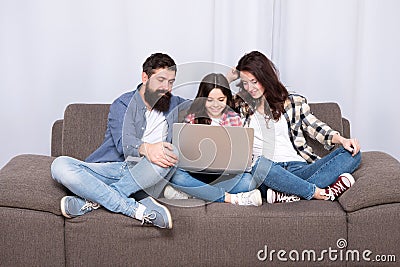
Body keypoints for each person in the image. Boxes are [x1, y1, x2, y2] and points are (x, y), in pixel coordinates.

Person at [51, 53, 190, 229]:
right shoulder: (123, 104)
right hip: (113, 168)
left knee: (171, 153)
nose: (167, 88)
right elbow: (123, 143)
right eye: (161, 80)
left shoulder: (175, 104)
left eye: (171, 82)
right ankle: (133, 208)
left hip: (146, 175)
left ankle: (96, 201)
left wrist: (229, 80)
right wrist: (148, 149)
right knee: (60, 165)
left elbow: (209, 103)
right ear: (145, 77)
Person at [228, 51, 361, 203]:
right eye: (245, 83)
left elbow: (316, 127)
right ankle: (315, 192)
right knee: (259, 164)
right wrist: (229, 77)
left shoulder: (292, 102)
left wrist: (342, 140)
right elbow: (209, 101)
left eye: (254, 81)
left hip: (298, 168)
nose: (250, 88)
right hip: (267, 174)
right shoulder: (240, 104)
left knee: (353, 154)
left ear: (265, 78)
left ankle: (290, 193)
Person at [165, 73, 262, 206]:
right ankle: (228, 197)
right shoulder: (192, 118)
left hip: (224, 175)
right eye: (210, 100)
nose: (215, 105)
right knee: (176, 176)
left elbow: (241, 154)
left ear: (227, 99)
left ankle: (195, 193)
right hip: (196, 174)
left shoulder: (234, 118)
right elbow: (184, 151)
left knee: (249, 181)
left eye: (221, 100)